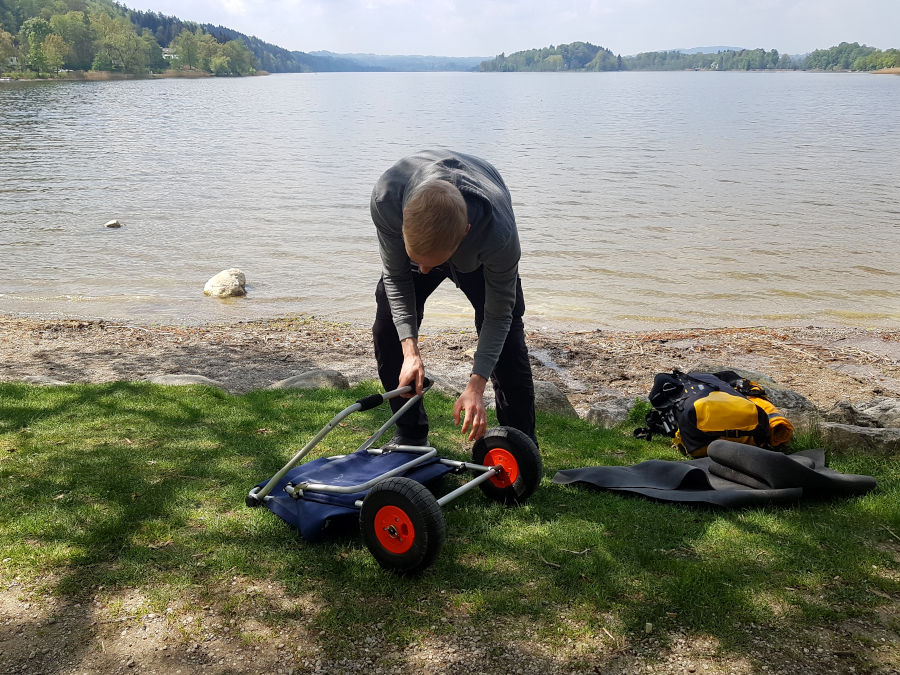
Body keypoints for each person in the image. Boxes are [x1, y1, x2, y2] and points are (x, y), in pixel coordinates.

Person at [370, 149, 536, 446]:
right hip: (423, 226)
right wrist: (410, 351)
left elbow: (498, 315)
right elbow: (397, 277)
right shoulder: (388, 200)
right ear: (405, 217)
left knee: (508, 337)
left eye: (432, 263)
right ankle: (410, 435)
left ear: (465, 233)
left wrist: (476, 384)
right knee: (388, 327)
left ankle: (519, 443)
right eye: (418, 260)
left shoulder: (498, 235)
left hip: (478, 253)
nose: (424, 271)